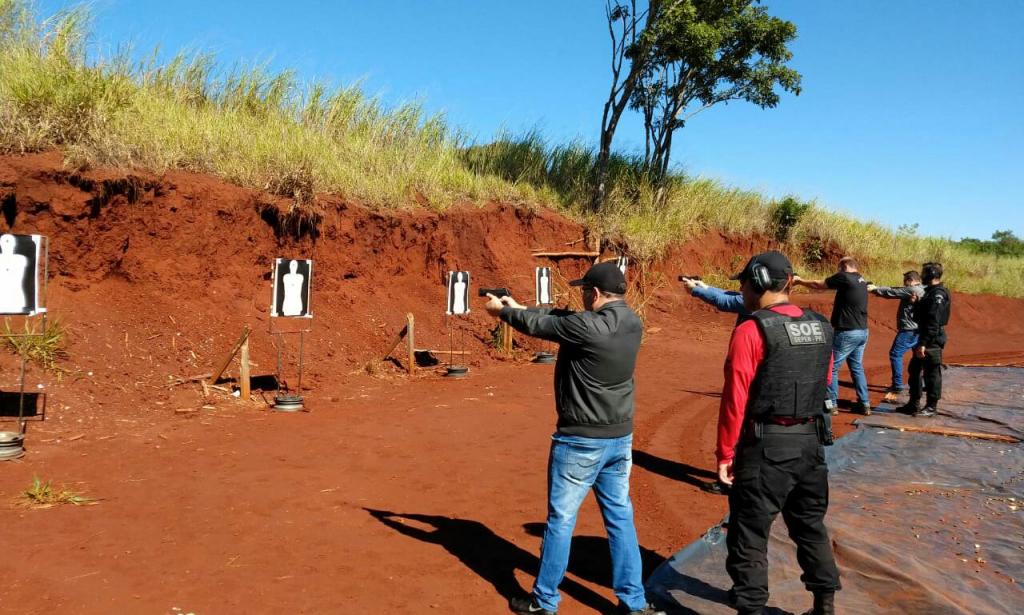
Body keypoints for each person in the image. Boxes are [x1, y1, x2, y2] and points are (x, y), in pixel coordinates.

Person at [483, 261, 663, 615]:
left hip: (580, 440)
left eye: (584, 291)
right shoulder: (632, 322)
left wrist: (502, 314)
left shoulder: (587, 326)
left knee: (561, 520)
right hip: (619, 438)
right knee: (620, 519)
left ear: (594, 293)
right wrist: (517, 306)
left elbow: (543, 325)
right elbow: (557, 317)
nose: (581, 296)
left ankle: (545, 601)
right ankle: (634, 601)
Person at [717, 251, 840, 615]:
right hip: (811, 444)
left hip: (766, 446)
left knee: (749, 534)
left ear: (759, 281)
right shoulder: (822, 326)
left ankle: (751, 608)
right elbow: (826, 378)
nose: (740, 288)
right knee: (810, 526)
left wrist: (725, 455)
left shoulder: (751, 329)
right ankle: (825, 604)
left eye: (744, 281)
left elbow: (735, 399)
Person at [793, 257, 872, 415]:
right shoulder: (861, 279)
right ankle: (865, 404)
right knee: (856, 367)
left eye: (838, 268)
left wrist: (799, 281)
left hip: (847, 332)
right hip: (862, 331)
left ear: (843, 267)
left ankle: (831, 404)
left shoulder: (844, 277)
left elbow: (819, 285)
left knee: (831, 368)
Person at [898, 262, 951, 417]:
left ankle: (931, 406)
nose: (922, 276)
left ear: (932, 274)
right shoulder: (930, 292)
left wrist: (923, 343)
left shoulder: (938, 294)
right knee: (914, 370)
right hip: (924, 335)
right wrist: (916, 304)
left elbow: (933, 321)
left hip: (931, 339)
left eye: (924, 273)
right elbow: (922, 315)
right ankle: (913, 404)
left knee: (932, 373)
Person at [867, 271, 925, 401]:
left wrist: (876, 289)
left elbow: (892, 292)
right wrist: (877, 288)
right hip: (919, 329)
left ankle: (898, 385)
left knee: (895, 354)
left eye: (905, 281)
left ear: (910, 280)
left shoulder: (912, 290)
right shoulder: (923, 289)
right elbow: (896, 289)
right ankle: (923, 382)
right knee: (919, 356)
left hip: (909, 330)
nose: (904, 283)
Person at [679, 276, 749, 319]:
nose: (740, 288)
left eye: (744, 284)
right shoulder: (756, 298)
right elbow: (728, 295)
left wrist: (695, 289)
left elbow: (722, 301)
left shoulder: (750, 301)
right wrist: (704, 287)